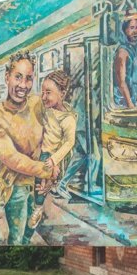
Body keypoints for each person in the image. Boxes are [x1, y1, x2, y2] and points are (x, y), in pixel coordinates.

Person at [0, 51, 55, 245]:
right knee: (16, 238)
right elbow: (12, 158)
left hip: (39, 186)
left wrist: (56, 167)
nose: (23, 85)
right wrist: (48, 170)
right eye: (18, 77)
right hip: (15, 187)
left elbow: (54, 136)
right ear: (7, 77)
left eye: (28, 79)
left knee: (29, 232)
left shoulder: (37, 104)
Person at [28, 69, 77, 228]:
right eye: (42, 92)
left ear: (62, 93)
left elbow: (69, 143)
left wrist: (54, 160)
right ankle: (36, 205)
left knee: (41, 183)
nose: (43, 97)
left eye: (48, 92)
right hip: (40, 149)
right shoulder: (46, 108)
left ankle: (38, 208)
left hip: (51, 155)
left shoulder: (68, 119)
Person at [113, 17, 137, 108]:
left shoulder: (132, 50)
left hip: (132, 99)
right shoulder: (122, 52)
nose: (135, 31)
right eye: (132, 28)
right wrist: (130, 104)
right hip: (123, 103)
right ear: (125, 31)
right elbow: (121, 82)